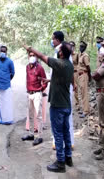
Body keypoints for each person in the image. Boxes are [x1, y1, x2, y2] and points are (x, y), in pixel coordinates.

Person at [23, 42, 74, 173]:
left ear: (61, 53)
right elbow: (64, 79)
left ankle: (60, 162)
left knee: (58, 134)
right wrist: (49, 81)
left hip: (58, 105)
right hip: (67, 104)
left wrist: (30, 48)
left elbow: (42, 56)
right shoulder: (69, 65)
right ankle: (68, 158)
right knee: (66, 132)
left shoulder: (59, 63)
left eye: (59, 50)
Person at [51, 31, 75, 150]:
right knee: (60, 120)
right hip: (58, 87)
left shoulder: (63, 51)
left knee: (64, 119)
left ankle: (68, 144)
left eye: (53, 39)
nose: (52, 41)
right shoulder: (58, 51)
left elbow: (70, 70)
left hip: (64, 90)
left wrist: (73, 85)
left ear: (58, 40)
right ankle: (58, 142)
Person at [22, 51, 48, 146]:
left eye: (34, 56)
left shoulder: (40, 68)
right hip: (29, 94)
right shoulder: (27, 67)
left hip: (37, 93)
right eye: (30, 55)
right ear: (28, 56)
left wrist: (41, 89)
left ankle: (39, 136)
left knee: (38, 115)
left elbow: (45, 81)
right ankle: (31, 134)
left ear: (37, 58)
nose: (32, 57)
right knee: (31, 115)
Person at [0, 46, 15, 125]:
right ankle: (0, 119)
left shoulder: (10, 61)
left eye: (4, 51)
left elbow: (12, 72)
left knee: (7, 102)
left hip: (7, 85)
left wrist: (7, 79)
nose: (2, 52)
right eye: (1, 51)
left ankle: (8, 119)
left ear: (6, 52)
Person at [76, 41, 92, 118]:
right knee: (81, 93)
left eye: (82, 47)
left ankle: (86, 111)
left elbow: (88, 67)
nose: (80, 48)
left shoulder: (85, 56)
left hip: (84, 75)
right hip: (79, 76)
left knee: (84, 93)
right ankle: (83, 109)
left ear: (85, 48)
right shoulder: (80, 55)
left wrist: (89, 76)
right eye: (80, 46)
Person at [69, 41, 80, 109]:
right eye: (70, 45)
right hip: (68, 73)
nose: (71, 46)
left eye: (72, 45)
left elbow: (79, 64)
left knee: (75, 88)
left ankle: (77, 104)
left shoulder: (76, 55)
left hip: (75, 72)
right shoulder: (66, 54)